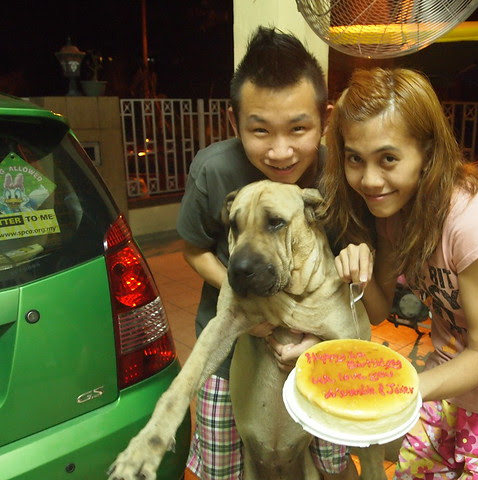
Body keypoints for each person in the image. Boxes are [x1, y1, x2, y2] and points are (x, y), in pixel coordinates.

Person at [320, 67, 478, 480]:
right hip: (446, 395)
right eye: (355, 159)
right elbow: (377, 311)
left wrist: (396, 390)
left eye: (388, 159)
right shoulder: (393, 215)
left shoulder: (474, 221)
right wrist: (358, 273)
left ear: (428, 153)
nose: (370, 180)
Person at [177, 27, 357, 480]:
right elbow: (194, 251)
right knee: (222, 465)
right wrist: (249, 301)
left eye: (298, 128)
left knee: (332, 461)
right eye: (260, 130)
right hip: (230, 349)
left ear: (325, 119)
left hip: (314, 346)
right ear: (234, 121)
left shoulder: (338, 175)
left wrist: (320, 334)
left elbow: (345, 258)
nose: (280, 152)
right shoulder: (214, 171)